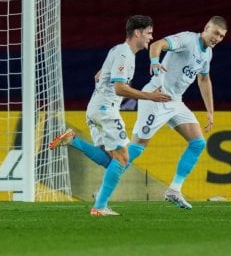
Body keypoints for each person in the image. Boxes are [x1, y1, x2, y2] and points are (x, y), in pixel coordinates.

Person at [48, 15, 171, 216]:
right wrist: (149, 96)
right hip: (105, 110)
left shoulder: (117, 50)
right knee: (123, 159)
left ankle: (72, 140)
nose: (151, 37)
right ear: (137, 32)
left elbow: (98, 76)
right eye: (149, 33)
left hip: (96, 108)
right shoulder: (124, 54)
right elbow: (120, 88)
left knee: (111, 161)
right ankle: (99, 206)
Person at [124, 16, 227, 209]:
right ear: (206, 28)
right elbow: (157, 44)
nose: (217, 39)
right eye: (215, 33)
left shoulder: (208, 54)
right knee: (136, 148)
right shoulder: (187, 40)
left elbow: (204, 80)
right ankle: (105, 184)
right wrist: (154, 62)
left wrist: (210, 111)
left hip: (175, 102)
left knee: (197, 143)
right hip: (156, 96)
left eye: (221, 36)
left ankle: (174, 190)